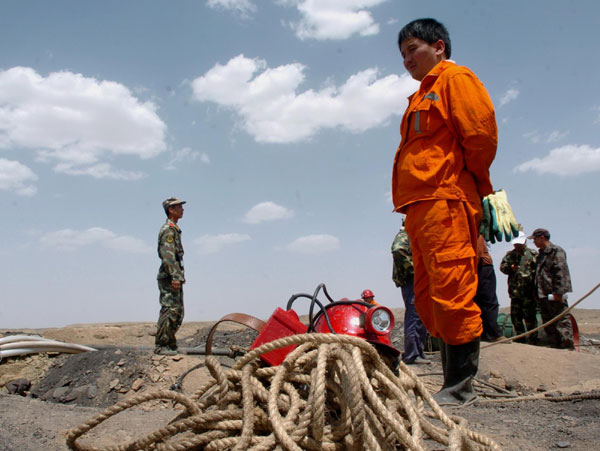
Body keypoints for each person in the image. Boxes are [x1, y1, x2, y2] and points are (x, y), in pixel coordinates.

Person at [392, 18, 497, 405]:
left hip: (446, 200)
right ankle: (450, 381)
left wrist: (468, 181)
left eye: (413, 50)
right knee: (429, 296)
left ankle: (460, 386)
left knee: (453, 289)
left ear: (438, 47)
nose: (407, 59)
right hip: (420, 208)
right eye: (402, 53)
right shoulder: (421, 95)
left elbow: (481, 137)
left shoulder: (455, 80)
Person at [528, 228, 574, 349]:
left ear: (542, 238)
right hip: (543, 294)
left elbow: (561, 272)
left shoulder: (556, 251)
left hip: (554, 294)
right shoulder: (541, 254)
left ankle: (567, 347)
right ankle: (555, 346)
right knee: (548, 322)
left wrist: (559, 292)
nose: (534, 242)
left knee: (561, 321)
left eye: (535, 239)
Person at [392, 226, 430, 365]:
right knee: (414, 315)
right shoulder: (405, 234)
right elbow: (398, 250)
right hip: (412, 280)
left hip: (418, 280)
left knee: (421, 315)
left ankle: (418, 352)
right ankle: (412, 355)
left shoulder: (413, 235)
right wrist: (414, 268)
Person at [155, 197, 186, 356]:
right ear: (171, 210)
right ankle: (162, 345)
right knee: (170, 309)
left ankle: (170, 343)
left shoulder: (174, 229)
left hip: (173, 274)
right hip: (169, 276)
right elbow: (167, 256)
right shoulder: (168, 229)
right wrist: (174, 276)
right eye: (179, 207)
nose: (182, 209)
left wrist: (179, 275)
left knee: (177, 311)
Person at [499, 231, 538, 344]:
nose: (517, 246)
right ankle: (520, 339)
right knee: (516, 317)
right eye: (515, 244)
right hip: (515, 292)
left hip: (528, 293)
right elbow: (502, 268)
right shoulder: (509, 255)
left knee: (530, 317)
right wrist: (510, 268)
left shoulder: (532, 254)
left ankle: (533, 339)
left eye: (519, 244)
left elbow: (538, 271)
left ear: (525, 241)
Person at [473, 235, 503, 342]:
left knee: (488, 302)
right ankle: (486, 333)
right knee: (480, 302)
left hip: (482, 269)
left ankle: (493, 334)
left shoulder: (476, 236)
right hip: (478, 269)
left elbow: (477, 254)